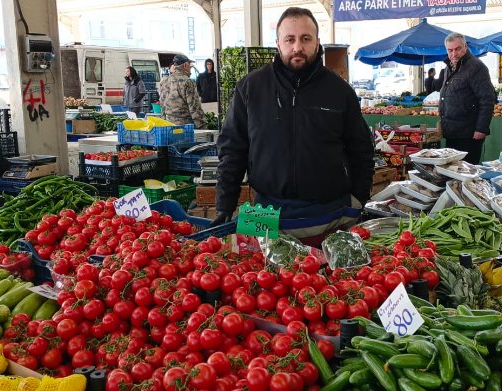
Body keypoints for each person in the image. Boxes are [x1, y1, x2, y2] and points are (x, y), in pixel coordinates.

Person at [211, 7, 374, 246]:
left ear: (317, 42)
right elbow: (232, 150)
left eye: (305, 39)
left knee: (324, 270)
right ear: (278, 43)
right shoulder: (250, 88)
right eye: (290, 39)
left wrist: (358, 199)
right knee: (257, 270)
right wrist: (224, 206)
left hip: (330, 216)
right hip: (264, 213)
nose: (297, 47)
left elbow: (361, 150)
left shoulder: (340, 91)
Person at [438, 32, 495, 164]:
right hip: (452, 132)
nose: (454, 54)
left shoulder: (476, 67)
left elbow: (487, 100)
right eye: (450, 50)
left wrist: (481, 129)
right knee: (451, 170)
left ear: (465, 47)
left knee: (466, 171)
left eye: (457, 49)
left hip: (469, 134)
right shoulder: (449, 68)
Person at [158, 54, 205, 128]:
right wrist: (202, 126)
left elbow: (162, 104)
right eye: (189, 65)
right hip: (185, 126)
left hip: (168, 125)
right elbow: (194, 107)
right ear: (185, 65)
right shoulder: (188, 82)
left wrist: (164, 122)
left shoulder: (164, 81)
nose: (190, 67)